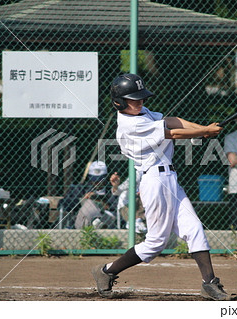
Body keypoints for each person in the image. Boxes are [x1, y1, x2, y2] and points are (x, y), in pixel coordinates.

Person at [91, 73, 229, 300]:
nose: (140, 102)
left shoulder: (141, 112)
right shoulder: (129, 124)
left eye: (141, 98)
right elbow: (172, 133)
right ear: (119, 102)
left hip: (169, 179)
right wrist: (204, 132)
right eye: (134, 99)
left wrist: (203, 127)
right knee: (155, 243)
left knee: (194, 229)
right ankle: (106, 271)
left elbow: (171, 121)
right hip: (154, 182)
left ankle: (209, 283)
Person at [57, 160, 117, 229]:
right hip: (83, 220)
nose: (97, 182)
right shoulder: (81, 188)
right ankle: (95, 223)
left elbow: (116, 206)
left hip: (106, 219)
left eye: (100, 180)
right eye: (94, 180)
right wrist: (82, 199)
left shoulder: (111, 190)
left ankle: (97, 223)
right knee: (88, 202)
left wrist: (114, 189)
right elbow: (63, 203)